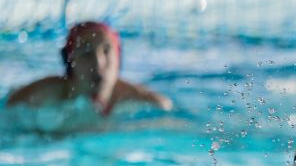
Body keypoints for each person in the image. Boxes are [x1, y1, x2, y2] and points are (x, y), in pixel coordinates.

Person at [5, 21, 172, 117]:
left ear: (119, 58)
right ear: (70, 61)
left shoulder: (145, 103)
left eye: (107, 51)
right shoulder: (41, 96)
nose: (98, 63)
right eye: (86, 52)